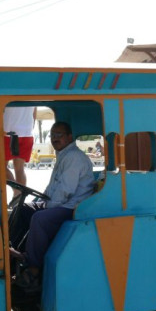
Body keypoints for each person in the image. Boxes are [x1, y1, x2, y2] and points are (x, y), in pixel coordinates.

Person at [12, 121, 95, 289]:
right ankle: (11, 251)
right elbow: (52, 188)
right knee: (23, 209)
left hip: (73, 208)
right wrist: (39, 202)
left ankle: (34, 268)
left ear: (69, 137)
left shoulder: (74, 157)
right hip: (60, 203)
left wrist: (46, 207)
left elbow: (65, 191)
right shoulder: (64, 155)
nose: (55, 139)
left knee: (40, 219)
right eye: (52, 135)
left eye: (59, 135)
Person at [4, 106, 36, 203]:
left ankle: (17, 192)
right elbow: (34, 114)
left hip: (8, 132)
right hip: (27, 132)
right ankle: (19, 200)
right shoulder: (31, 96)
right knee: (20, 169)